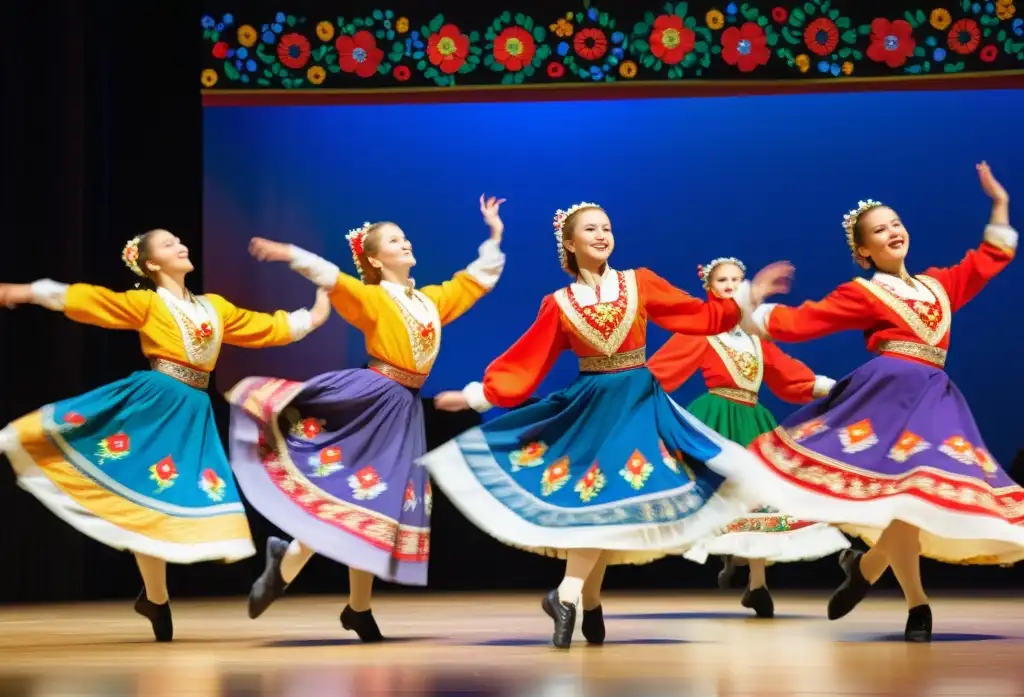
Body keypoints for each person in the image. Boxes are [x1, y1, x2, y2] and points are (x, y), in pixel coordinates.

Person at [420, 201, 794, 649]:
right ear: (570, 243)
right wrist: (477, 394)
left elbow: (701, 317)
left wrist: (748, 296)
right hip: (593, 404)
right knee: (599, 500)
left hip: (637, 401)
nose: (601, 235)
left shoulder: (640, 283)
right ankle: (588, 601)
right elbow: (528, 360)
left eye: (607, 228)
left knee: (613, 496)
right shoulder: (559, 303)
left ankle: (568, 594)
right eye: (591, 229)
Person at [738, 162, 1024, 641]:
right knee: (905, 500)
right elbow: (808, 320)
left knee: (917, 496)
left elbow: (986, 261)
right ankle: (916, 604)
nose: (891, 232)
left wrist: (999, 204)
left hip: (934, 401)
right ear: (864, 252)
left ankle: (868, 569)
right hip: (886, 398)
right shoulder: (866, 293)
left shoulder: (939, 285)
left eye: (895, 223)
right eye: (878, 231)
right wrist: (754, 303)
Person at [0, 229, 330, 641]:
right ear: (152, 264)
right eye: (170, 245)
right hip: (154, 400)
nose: (182, 246)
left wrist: (314, 315)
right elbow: (91, 301)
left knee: (162, 495)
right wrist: (28, 291)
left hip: (193, 408)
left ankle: (155, 599)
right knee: (144, 489)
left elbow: (263, 328)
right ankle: (155, 596)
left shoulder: (215, 308)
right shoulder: (147, 303)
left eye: (180, 241)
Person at [228, 196, 507, 642]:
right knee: (360, 493)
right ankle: (289, 563)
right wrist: (288, 254)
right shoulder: (373, 298)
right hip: (374, 398)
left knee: (378, 502)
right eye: (395, 240)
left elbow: (473, 282)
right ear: (375, 258)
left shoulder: (431, 301)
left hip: (403, 407)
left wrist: (494, 236)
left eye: (405, 237)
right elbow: (333, 279)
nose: (406, 242)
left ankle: (357, 607)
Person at [647, 257, 849, 618]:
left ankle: (757, 585)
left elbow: (787, 373)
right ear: (709, 287)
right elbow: (665, 369)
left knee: (764, 497)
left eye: (737, 279)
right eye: (723, 280)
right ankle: (733, 558)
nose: (730, 285)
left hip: (754, 420)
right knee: (721, 495)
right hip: (717, 418)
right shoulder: (701, 332)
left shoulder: (756, 339)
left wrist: (830, 388)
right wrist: (629, 393)